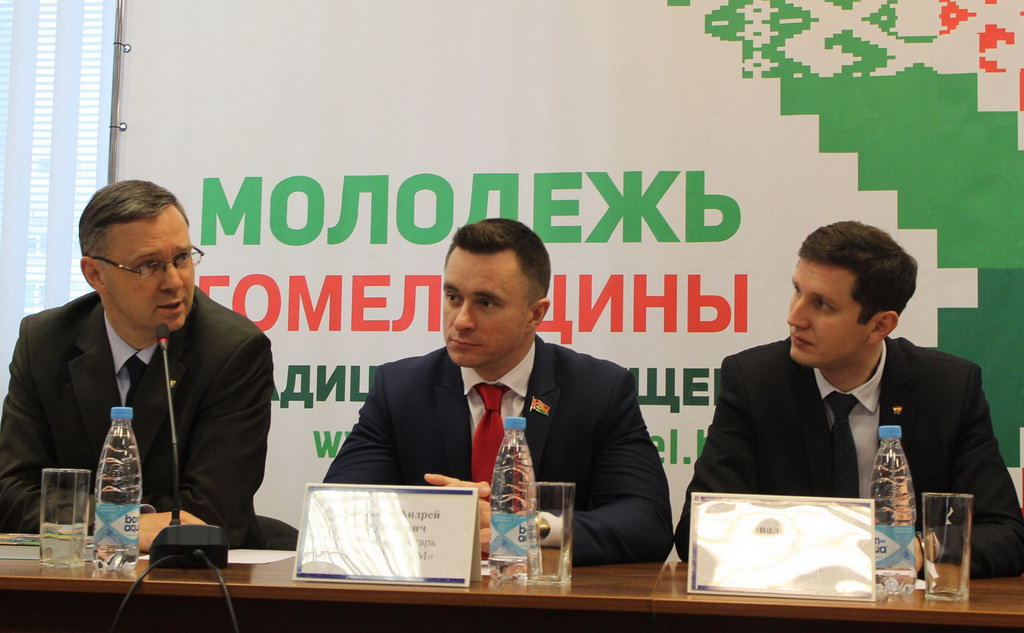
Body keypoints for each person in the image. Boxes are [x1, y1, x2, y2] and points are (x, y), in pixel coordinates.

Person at [676, 220, 1024, 578]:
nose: (795, 317)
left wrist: (907, 553)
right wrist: (833, 554)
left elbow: (1006, 535)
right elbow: (697, 532)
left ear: (880, 326)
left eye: (822, 305)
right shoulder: (756, 382)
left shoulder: (948, 388)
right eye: (797, 291)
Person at [324, 218, 673, 565]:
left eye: (486, 303)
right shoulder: (401, 389)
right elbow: (336, 512)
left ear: (535, 314)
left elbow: (647, 524)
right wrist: (438, 518)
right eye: (453, 297)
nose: (461, 320)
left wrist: (522, 531)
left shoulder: (598, 390)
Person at [0, 180, 274, 550]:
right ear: (96, 274)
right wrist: (123, 524)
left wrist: (82, 515)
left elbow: (214, 510)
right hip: (69, 573)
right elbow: (11, 494)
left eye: (182, 258)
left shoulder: (231, 351)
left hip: (185, 577)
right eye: (149, 266)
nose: (174, 282)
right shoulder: (45, 343)